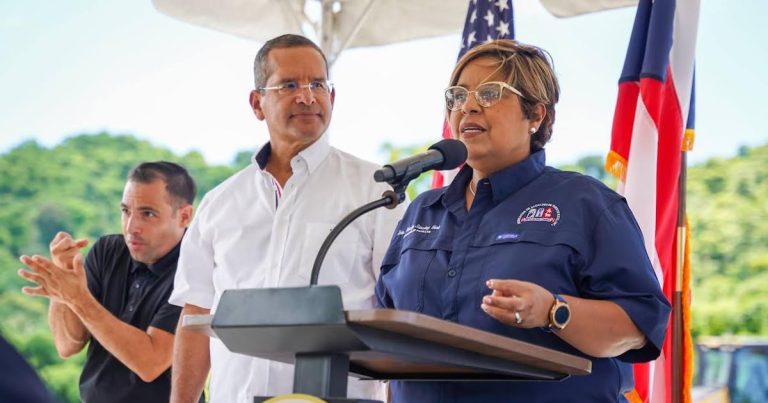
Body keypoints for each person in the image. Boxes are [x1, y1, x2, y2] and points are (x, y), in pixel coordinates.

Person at [375, 39, 671, 402]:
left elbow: (639, 326)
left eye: (489, 93)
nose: (467, 106)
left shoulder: (586, 204)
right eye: (457, 95)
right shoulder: (423, 209)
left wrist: (553, 310)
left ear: (536, 115)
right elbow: (385, 334)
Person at [169, 34, 405, 403]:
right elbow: (196, 318)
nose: (307, 96)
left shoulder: (377, 193)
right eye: (289, 85)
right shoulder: (219, 205)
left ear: (333, 97)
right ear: (256, 103)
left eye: (318, 85)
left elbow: (397, 316)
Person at [17, 161, 198, 403]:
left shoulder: (195, 269)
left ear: (184, 216)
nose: (131, 227)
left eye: (148, 214)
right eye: (126, 211)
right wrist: (63, 280)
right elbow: (67, 345)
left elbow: (150, 362)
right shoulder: (107, 250)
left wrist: (77, 298)